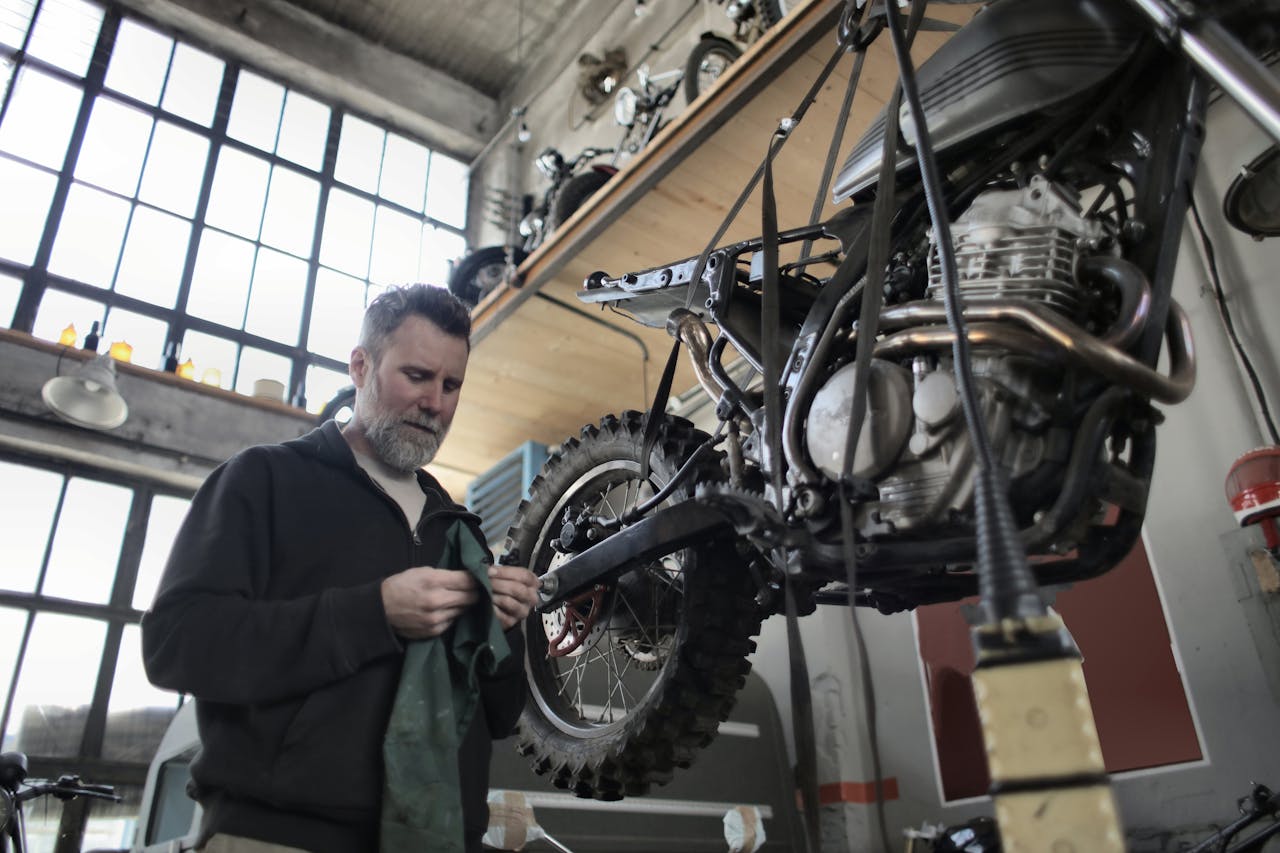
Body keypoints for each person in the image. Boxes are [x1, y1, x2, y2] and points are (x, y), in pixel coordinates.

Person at [142, 284, 541, 853]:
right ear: (360, 365)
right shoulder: (265, 480)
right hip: (276, 834)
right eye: (417, 376)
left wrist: (501, 631)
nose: (435, 403)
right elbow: (177, 643)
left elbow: (500, 717)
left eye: (451, 385)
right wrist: (373, 613)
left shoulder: (461, 531)